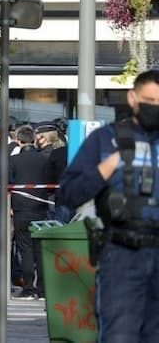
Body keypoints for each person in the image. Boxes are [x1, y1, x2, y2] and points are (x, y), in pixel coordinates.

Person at [60, 70, 159, 343]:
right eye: (149, 100)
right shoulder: (105, 139)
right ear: (133, 98)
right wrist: (104, 169)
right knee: (120, 336)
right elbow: (68, 194)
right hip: (122, 253)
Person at [9, 125, 49, 300]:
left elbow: (9, 184)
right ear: (34, 139)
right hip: (40, 207)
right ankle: (42, 287)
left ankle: (28, 286)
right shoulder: (43, 159)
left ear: (18, 140)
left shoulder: (14, 161)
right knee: (40, 249)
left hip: (20, 209)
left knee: (25, 249)